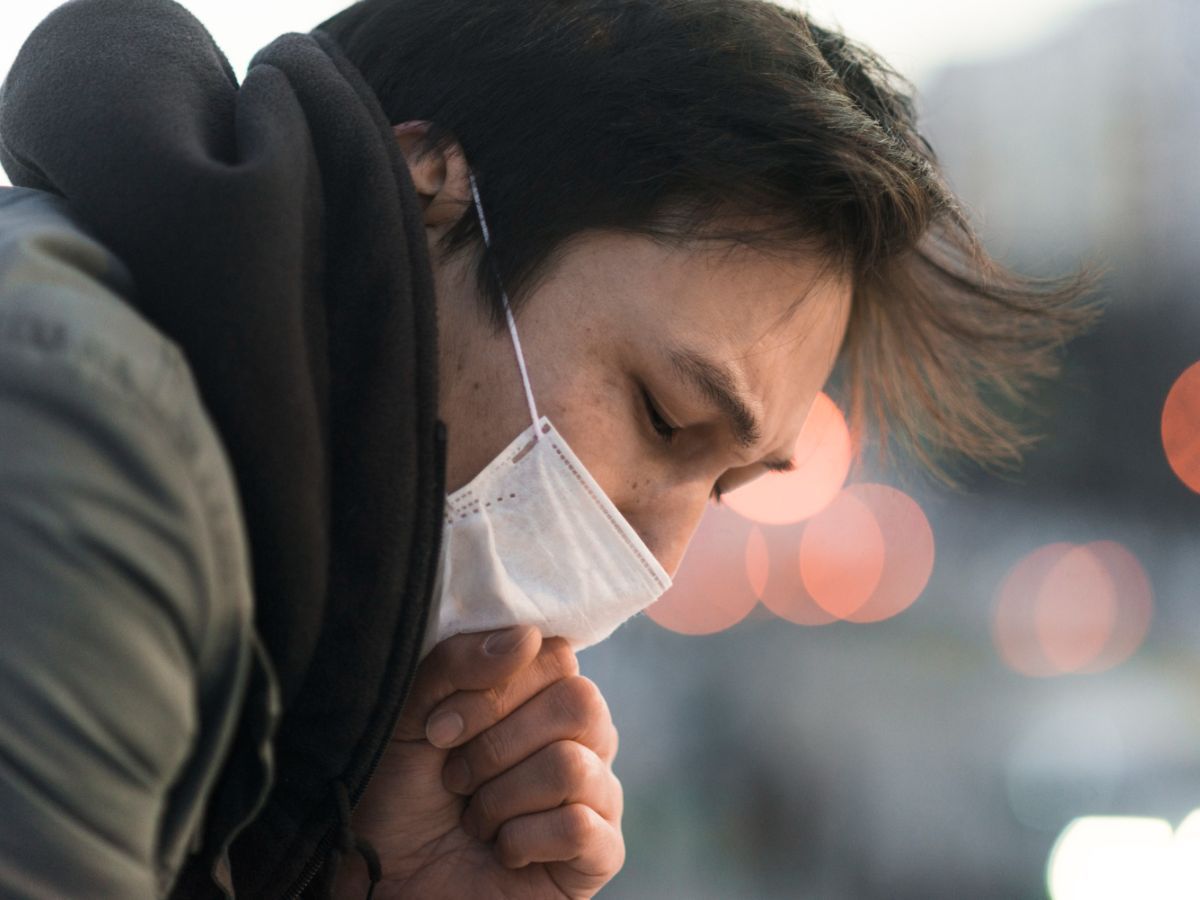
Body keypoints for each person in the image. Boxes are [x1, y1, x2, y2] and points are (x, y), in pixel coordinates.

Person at [0, 0, 1094, 896]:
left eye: (722, 485)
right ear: (427, 181)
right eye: (664, 416)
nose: (657, 555)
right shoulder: (85, 441)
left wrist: (358, 876)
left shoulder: (264, 557)